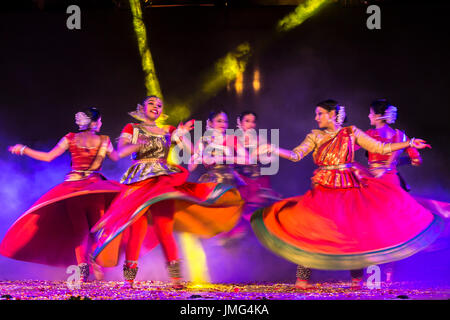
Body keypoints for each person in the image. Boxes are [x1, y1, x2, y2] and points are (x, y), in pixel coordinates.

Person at [252, 99, 444, 289]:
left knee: (351, 230)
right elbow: (296, 155)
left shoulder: (351, 132)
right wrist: (274, 149)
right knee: (311, 228)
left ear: (332, 115)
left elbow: (380, 148)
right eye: (316, 113)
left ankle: (356, 280)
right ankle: (302, 280)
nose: (316, 117)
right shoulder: (315, 136)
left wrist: (409, 143)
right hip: (323, 187)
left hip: (347, 187)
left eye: (320, 113)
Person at [91, 97, 243, 289]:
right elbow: (121, 151)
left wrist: (186, 140)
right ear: (142, 107)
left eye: (160, 105)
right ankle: (129, 279)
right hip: (139, 182)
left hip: (163, 181)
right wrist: (143, 142)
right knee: (136, 230)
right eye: (152, 104)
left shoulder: (169, 130)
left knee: (165, 228)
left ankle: (176, 279)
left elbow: (193, 152)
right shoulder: (132, 128)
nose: (156, 107)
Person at [0, 107, 123, 282]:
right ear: (95, 122)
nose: (102, 124)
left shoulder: (70, 138)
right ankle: (100, 268)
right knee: (99, 231)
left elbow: (49, 157)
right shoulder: (105, 140)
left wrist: (23, 149)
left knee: (80, 233)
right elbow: (118, 157)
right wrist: (133, 144)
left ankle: (82, 273)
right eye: (100, 120)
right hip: (96, 190)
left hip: (73, 191)